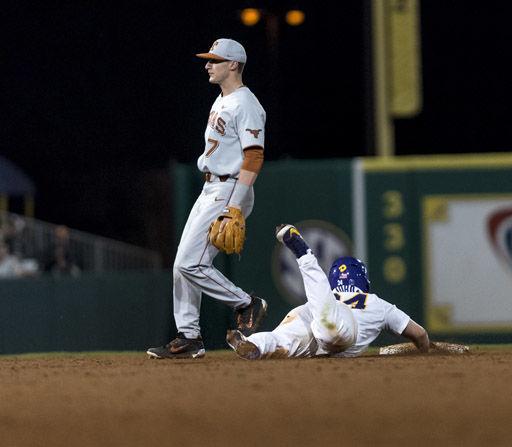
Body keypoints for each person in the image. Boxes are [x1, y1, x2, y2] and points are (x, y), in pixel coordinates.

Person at [147, 38, 267, 359]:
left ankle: (246, 303)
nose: (207, 65)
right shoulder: (221, 100)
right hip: (211, 186)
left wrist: (234, 205)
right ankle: (189, 337)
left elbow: (253, 157)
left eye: (214, 60)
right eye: (208, 59)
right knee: (181, 265)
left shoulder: (246, 104)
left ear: (233, 65)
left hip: (230, 187)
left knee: (191, 263)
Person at [226, 224, 430, 360]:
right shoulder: (377, 303)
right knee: (329, 322)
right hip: (336, 328)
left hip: (313, 318)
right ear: (362, 279)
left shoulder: (332, 295)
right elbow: (419, 334)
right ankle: (303, 253)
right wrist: (424, 350)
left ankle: (252, 344)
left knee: (281, 340)